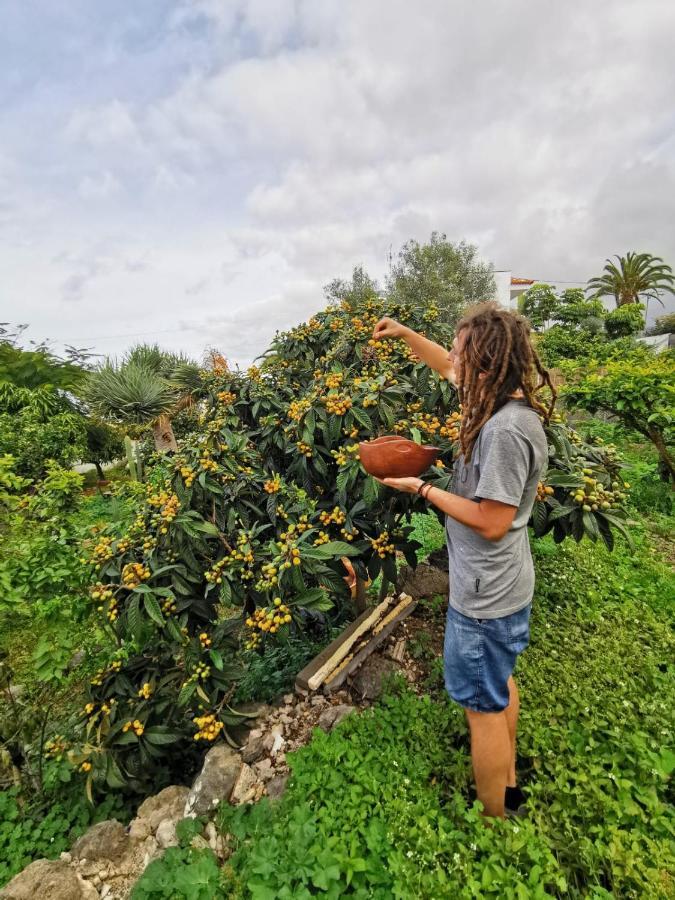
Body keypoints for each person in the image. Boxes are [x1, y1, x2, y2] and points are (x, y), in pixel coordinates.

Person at [371, 302, 555, 818]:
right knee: (499, 685)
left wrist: (424, 489)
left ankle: (497, 821)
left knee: (482, 710)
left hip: (483, 596)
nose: (452, 362)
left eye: (459, 353)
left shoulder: (502, 431)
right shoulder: (499, 404)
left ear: (486, 363)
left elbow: (492, 520)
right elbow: (446, 367)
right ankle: (511, 782)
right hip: (504, 584)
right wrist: (407, 333)